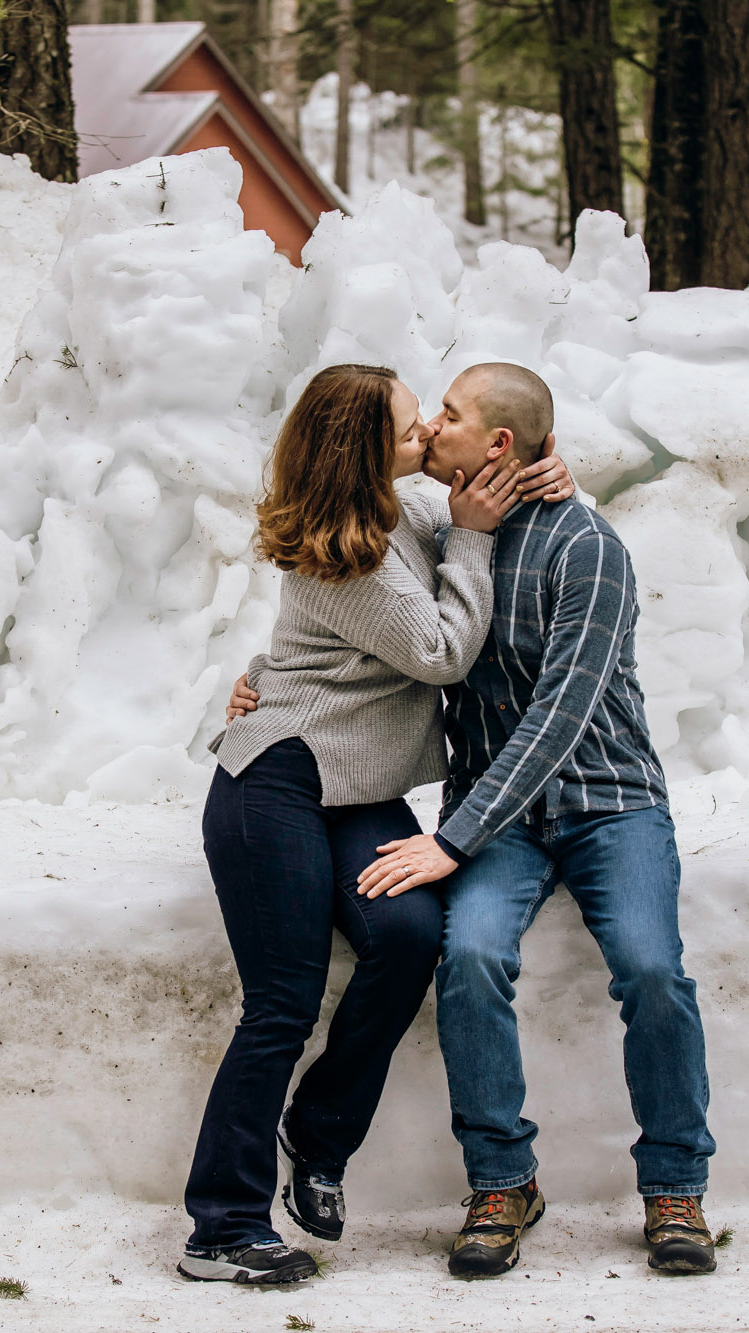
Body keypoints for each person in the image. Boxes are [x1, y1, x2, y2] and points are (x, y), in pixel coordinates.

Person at [235, 363, 719, 1279]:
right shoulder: (441, 521)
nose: (430, 430)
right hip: (499, 819)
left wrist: (452, 839)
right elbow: (350, 597)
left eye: (447, 417)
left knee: (653, 969)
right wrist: (270, 674)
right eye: (424, 418)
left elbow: (561, 717)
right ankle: (502, 1180)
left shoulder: (587, 548)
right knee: (468, 958)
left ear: (498, 444)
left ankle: (675, 1186)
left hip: (608, 801)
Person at [179, 362, 575, 1285]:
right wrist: (473, 542)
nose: (428, 435)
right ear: (365, 453)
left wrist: (554, 473)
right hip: (276, 780)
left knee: (406, 934)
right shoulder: (337, 552)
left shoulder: (406, 511)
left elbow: (487, 503)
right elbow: (438, 651)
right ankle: (222, 1226)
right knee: (282, 998)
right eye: (409, 427)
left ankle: (317, 1139)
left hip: (357, 789)